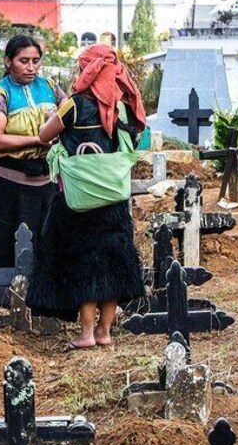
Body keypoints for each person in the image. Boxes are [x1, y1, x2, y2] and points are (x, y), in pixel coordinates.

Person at [26, 44, 147, 350]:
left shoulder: (76, 104)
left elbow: (44, 135)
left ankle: (86, 334)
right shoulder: (122, 104)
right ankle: (106, 332)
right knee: (112, 262)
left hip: (79, 198)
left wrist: (56, 113)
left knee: (84, 262)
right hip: (114, 197)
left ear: (88, 70)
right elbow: (132, 138)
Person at [0, 35, 66, 289]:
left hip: (44, 181)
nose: (31, 67)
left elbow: (68, 116)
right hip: (7, 183)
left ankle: (44, 295)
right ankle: (0, 294)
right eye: (24, 61)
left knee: (46, 240)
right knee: (3, 243)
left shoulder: (51, 87)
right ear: (8, 61)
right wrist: (38, 140)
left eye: (35, 61)